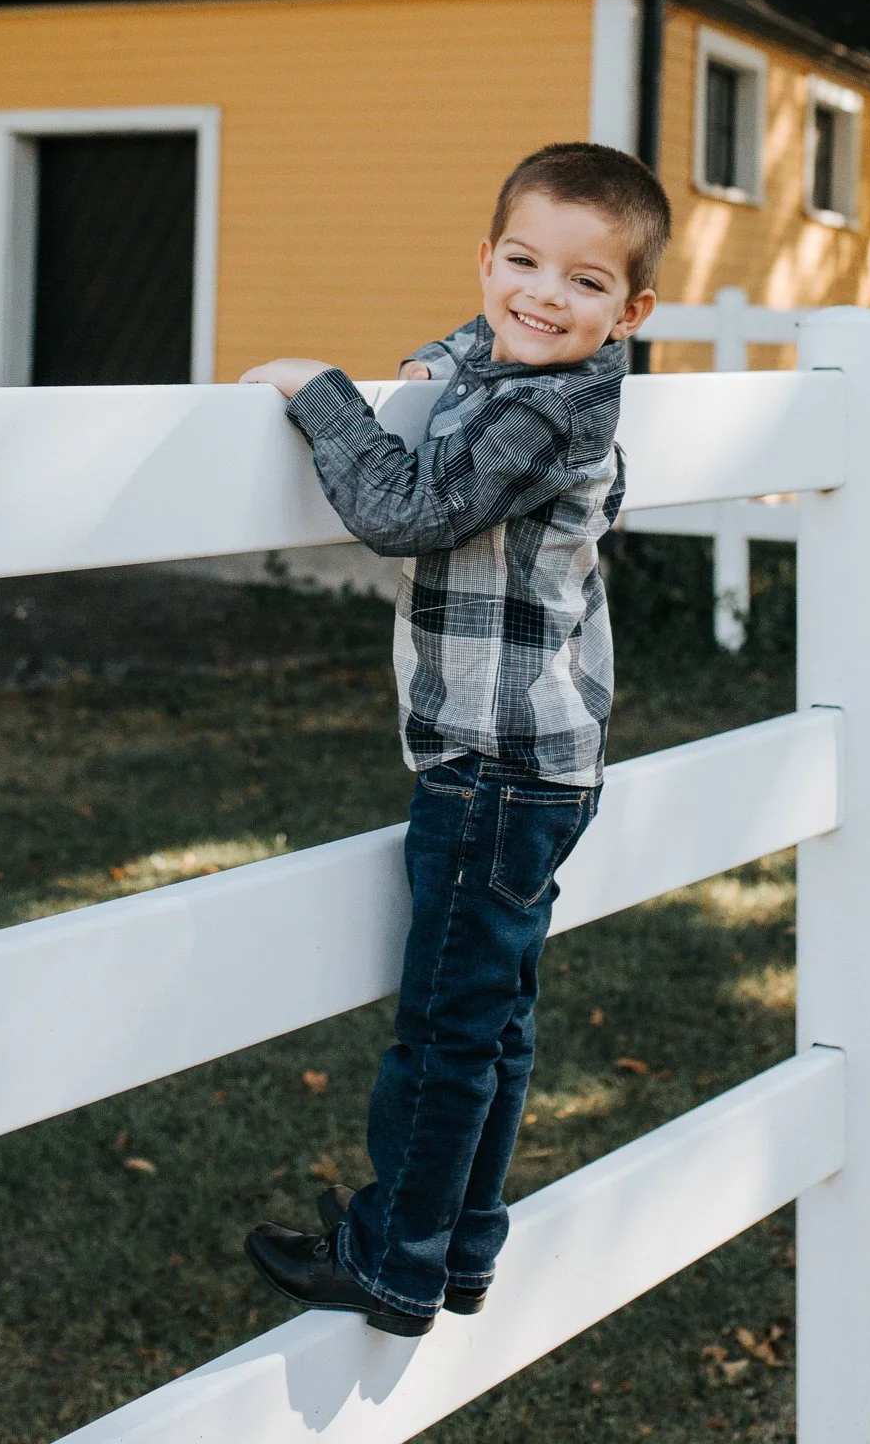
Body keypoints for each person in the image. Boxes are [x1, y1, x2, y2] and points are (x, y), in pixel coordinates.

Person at [238, 141, 671, 1337]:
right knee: (497, 1013)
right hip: (535, 759)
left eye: (585, 282)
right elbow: (503, 341)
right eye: (521, 261)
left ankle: (393, 1259)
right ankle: (461, 1241)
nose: (543, 293)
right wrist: (443, 354)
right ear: (485, 259)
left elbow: (402, 510)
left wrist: (318, 390)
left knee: (446, 1022)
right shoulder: (549, 368)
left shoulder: (545, 411)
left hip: (495, 764)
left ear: (632, 309)